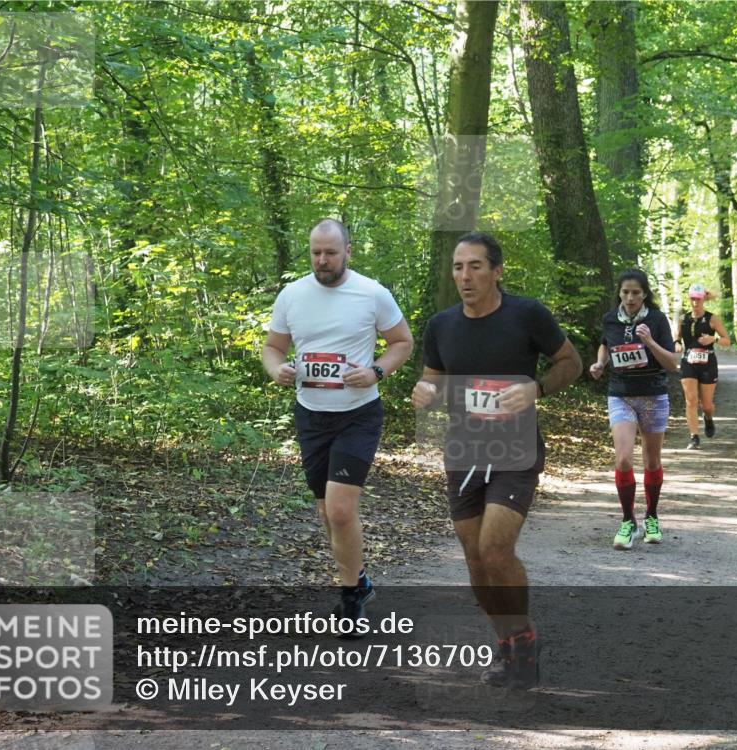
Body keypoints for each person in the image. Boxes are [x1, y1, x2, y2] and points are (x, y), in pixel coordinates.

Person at [411, 232, 581, 690]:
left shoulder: (526, 315)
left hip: (514, 451)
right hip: (463, 452)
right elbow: (431, 380)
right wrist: (424, 392)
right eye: (458, 267)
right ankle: (509, 648)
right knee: (476, 566)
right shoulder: (441, 325)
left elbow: (571, 361)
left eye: (475, 266)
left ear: (497, 271)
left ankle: (523, 639)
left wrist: (537, 388)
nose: (464, 276)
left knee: (494, 548)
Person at [262, 218, 413, 629]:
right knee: (327, 514)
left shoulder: (371, 293)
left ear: (348, 250)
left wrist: (377, 372)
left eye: (330, 252)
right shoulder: (292, 295)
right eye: (315, 252)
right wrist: (277, 369)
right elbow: (273, 347)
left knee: (341, 510)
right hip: (311, 415)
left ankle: (349, 601)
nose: (322, 260)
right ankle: (360, 580)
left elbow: (402, 342)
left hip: (358, 415)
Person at [590, 269, 679, 550]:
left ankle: (651, 516)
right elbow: (606, 344)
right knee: (624, 459)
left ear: (644, 295)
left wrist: (650, 341)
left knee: (652, 462)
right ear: (619, 292)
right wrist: (599, 364)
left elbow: (673, 364)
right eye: (625, 292)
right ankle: (629, 522)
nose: (630, 298)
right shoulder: (609, 318)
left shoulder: (656, 319)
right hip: (621, 395)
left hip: (653, 394)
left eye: (636, 293)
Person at [675, 283, 731, 450]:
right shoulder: (683, 319)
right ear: (689, 299)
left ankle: (708, 417)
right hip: (688, 363)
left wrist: (713, 340)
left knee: (706, 405)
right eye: (692, 299)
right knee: (691, 400)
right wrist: (677, 344)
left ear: (704, 299)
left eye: (698, 299)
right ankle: (694, 437)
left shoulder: (712, 319)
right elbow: (676, 338)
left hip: (707, 364)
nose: (695, 303)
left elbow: (727, 341)